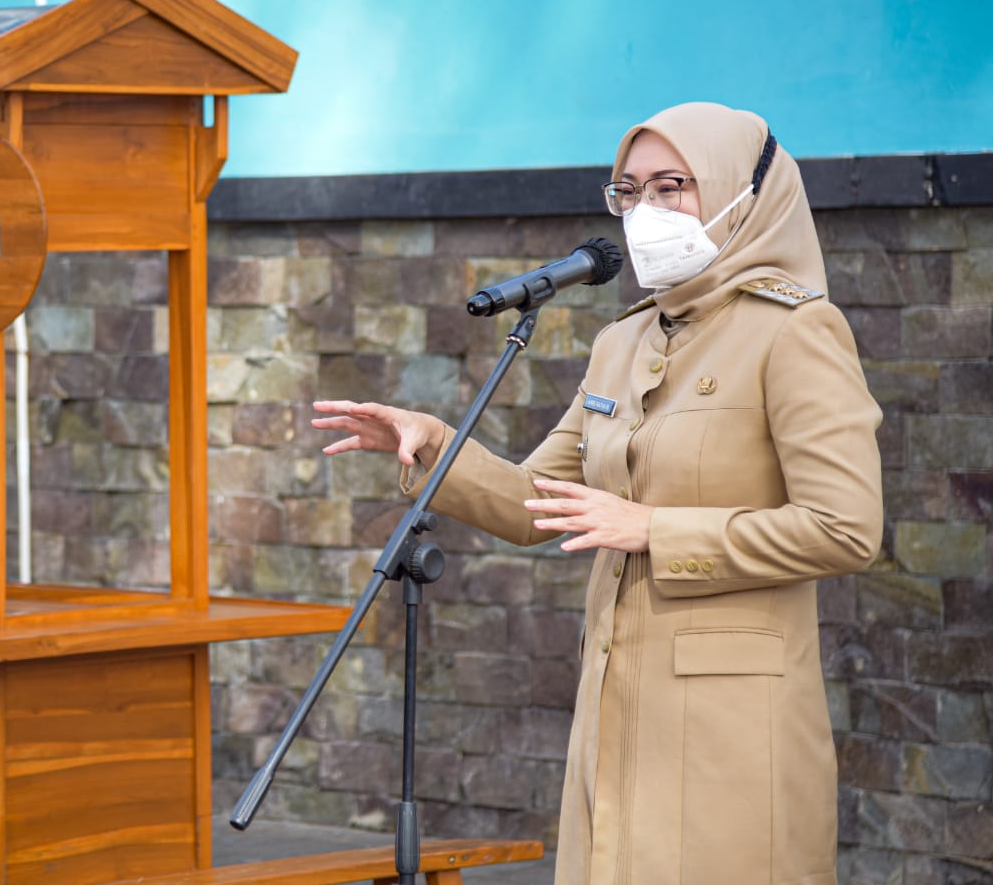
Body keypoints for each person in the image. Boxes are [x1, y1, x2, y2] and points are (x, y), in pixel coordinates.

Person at [312, 102, 882, 885]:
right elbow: (530, 503)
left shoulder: (797, 332)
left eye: (672, 186)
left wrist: (654, 528)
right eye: (629, 190)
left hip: (733, 726)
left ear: (743, 194)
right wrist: (435, 439)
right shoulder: (621, 343)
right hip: (615, 711)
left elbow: (845, 528)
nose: (646, 211)